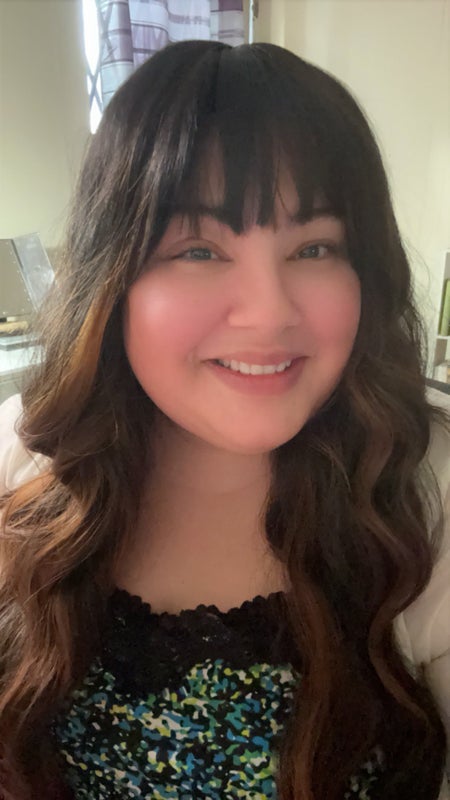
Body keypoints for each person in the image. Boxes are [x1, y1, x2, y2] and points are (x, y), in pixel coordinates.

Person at [0, 39, 449, 800]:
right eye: (199, 250)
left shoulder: (425, 489)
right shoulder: (31, 451)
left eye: (314, 247)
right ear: (114, 278)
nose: (270, 313)